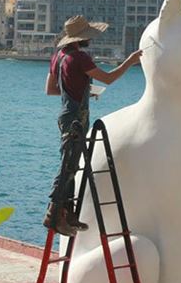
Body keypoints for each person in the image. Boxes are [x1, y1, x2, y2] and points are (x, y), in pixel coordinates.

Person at [44, 15, 143, 236]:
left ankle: (68, 213)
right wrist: (130, 61)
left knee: (71, 164)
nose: (90, 40)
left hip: (66, 116)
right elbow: (108, 78)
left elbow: (51, 89)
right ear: (81, 38)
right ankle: (53, 214)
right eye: (88, 36)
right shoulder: (80, 57)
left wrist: (82, 91)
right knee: (68, 166)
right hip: (77, 119)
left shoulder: (58, 57)